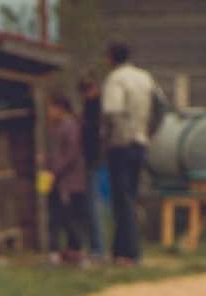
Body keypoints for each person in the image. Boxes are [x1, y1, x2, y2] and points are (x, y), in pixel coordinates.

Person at [101, 41, 161, 265]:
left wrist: (111, 139)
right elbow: (160, 107)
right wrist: (150, 135)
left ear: (111, 57)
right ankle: (119, 251)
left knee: (122, 200)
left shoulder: (115, 79)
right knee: (129, 196)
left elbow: (112, 111)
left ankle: (131, 252)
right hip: (140, 142)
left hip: (121, 145)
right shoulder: (144, 77)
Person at [44, 93, 88, 266]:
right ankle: (56, 252)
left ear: (60, 108)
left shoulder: (70, 126)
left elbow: (71, 153)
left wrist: (55, 169)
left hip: (69, 182)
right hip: (59, 181)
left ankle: (77, 253)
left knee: (70, 219)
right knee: (55, 217)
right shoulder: (59, 126)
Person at [79, 74, 109, 265]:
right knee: (89, 204)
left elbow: (94, 137)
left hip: (92, 160)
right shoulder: (92, 106)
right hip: (91, 160)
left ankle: (98, 248)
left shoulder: (96, 107)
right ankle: (94, 246)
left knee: (92, 204)